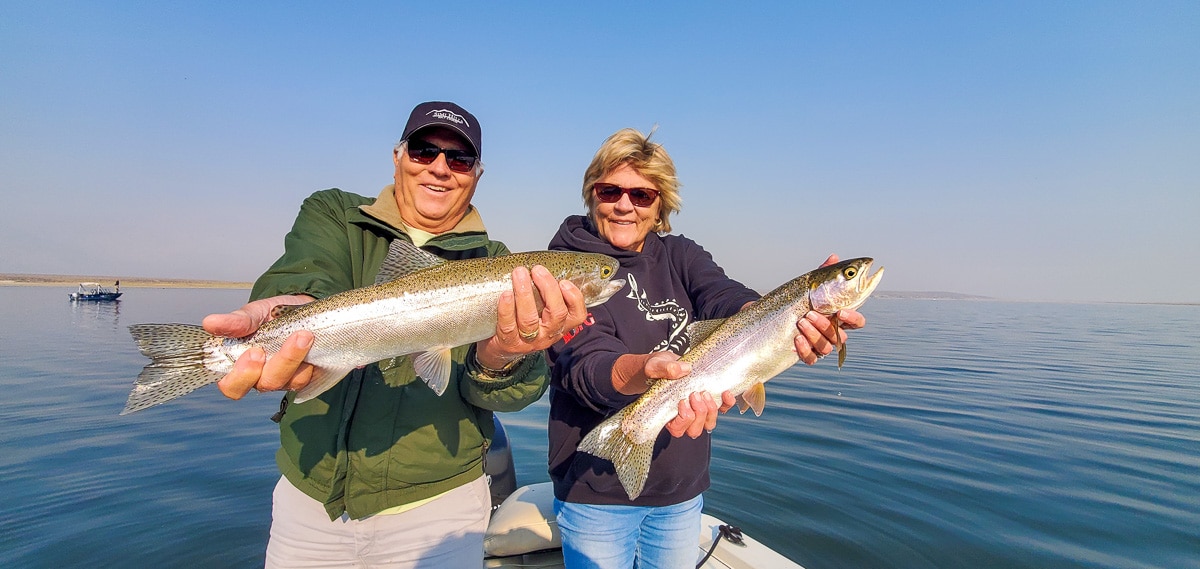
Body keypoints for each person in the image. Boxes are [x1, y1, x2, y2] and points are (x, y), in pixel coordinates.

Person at [200, 101, 588, 568]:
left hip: (441, 512)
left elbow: (510, 396)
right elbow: (307, 277)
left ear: (476, 175)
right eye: (425, 151)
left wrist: (502, 356)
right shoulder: (335, 214)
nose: (441, 168)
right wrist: (290, 307)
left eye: (459, 159)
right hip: (310, 504)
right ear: (398, 156)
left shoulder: (498, 261)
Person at [545, 128, 866, 568]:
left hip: (681, 491)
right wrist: (645, 370)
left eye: (642, 195)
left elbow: (725, 296)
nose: (624, 205)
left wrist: (778, 315)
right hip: (593, 493)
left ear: (661, 205)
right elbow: (582, 361)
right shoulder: (565, 263)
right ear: (591, 193)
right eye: (610, 191)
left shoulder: (681, 254)